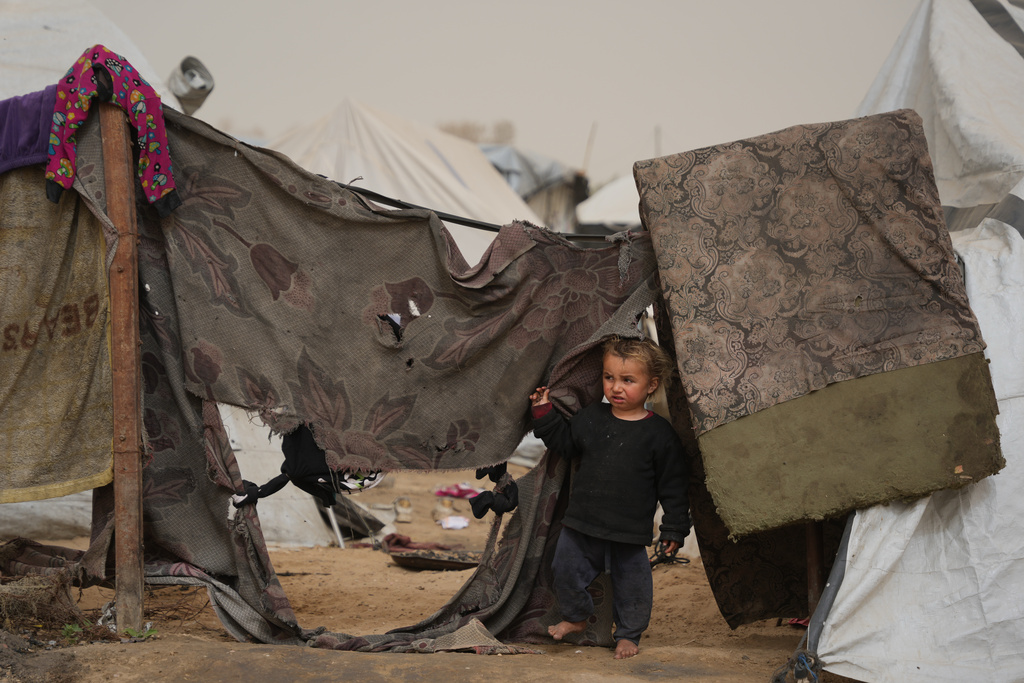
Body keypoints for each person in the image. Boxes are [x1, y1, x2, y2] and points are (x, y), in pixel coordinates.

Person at [529, 335, 690, 659]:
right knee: (564, 568)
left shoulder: (660, 435)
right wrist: (544, 413)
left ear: (651, 385)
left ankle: (629, 635)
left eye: (627, 380)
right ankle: (575, 617)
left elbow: (673, 486)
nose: (616, 387)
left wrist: (674, 529)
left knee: (634, 588)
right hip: (581, 525)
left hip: (629, 534)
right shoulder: (591, 419)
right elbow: (565, 443)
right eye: (609, 377)